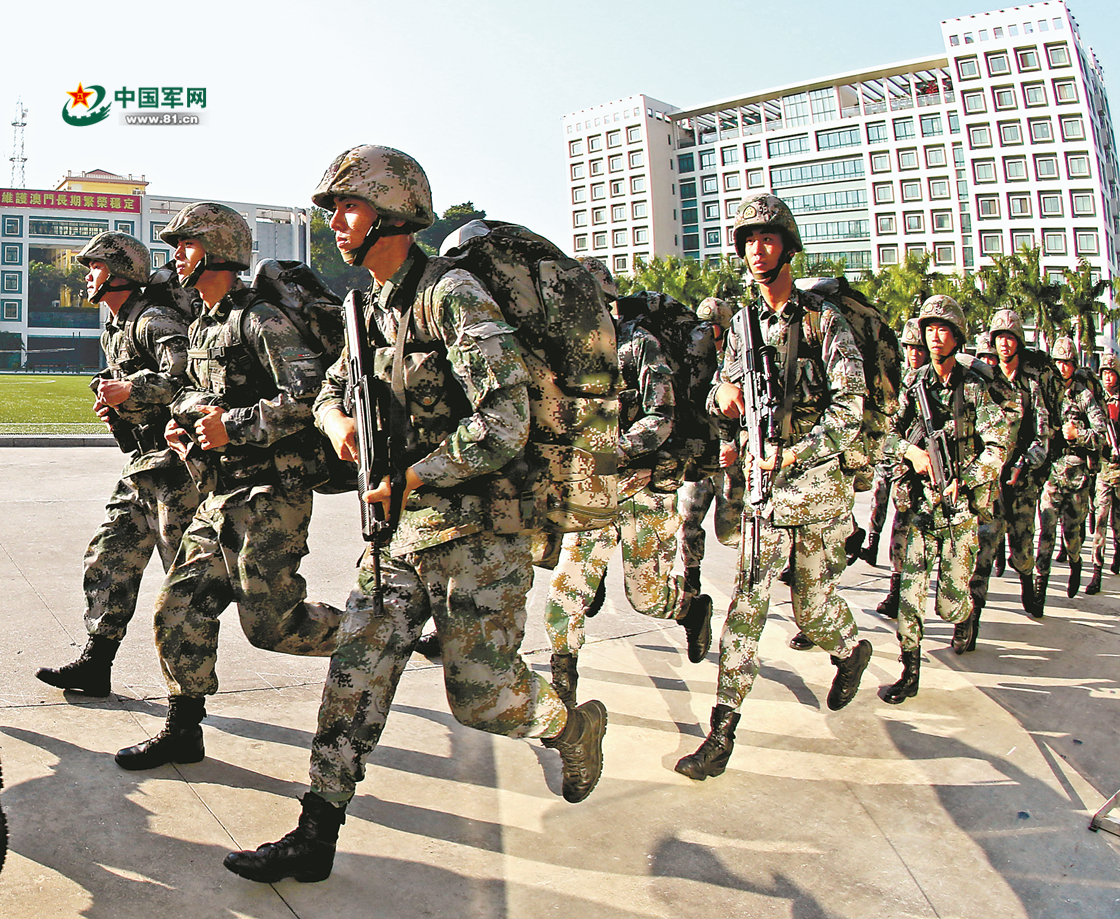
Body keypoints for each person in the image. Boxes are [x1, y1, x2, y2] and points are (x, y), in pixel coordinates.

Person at [223, 145, 607, 884]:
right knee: (354, 676)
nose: (335, 221)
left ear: (394, 212)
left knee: (483, 697)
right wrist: (336, 421)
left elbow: (505, 419)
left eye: (349, 206)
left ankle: (572, 724)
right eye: (333, 208)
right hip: (398, 535)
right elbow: (331, 387)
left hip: (479, 532)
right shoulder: (365, 309)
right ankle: (315, 833)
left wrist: (414, 476)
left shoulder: (450, 295)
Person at [114, 202, 343, 771]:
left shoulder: (260, 319)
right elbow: (193, 391)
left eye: (186, 244)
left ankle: (381, 633)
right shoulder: (203, 324)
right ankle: (183, 730)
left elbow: (310, 395)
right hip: (220, 494)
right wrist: (183, 422)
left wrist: (232, 426)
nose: (175, 255)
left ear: (218, 250)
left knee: (274, 628)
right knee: (177, 607)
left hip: (271, 496)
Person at [674, 194, 872, 782]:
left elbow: (851, 408)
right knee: (748, 605)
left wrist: (796, 452)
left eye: (767, 239)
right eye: (749, 242)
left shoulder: (822, 321)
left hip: (818, 488)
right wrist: (723, 402)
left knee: (812, 605)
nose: (757, 251)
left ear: (787, 248)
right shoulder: (741, 324)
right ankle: (721, 734)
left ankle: (850, 649)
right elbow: (722, 392)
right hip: (765, 489)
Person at [544, 260, 713, 709]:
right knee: (564, 597)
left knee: (647, 597)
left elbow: (662, 417)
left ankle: (689, 608)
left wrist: (612, 453)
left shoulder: (640, 346)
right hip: (592, 495)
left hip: (645, 492)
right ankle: (564, 697)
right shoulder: (568, 355)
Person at [36, 232, 198, 697]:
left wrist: (132, 390)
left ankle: (187, 701)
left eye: (96, 266)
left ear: (121, 273)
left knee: (189, 584)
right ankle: (96, 663)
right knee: (109, 557)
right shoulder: (116, 327)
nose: (87, 276)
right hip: (145, 465)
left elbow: (191, 375)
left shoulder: (152, 320)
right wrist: (119, 407)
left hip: (179, 468)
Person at [880, 296, 1006, 703]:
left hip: (960, 510)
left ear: (957, 336)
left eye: (943, 329)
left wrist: (964, 480)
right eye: (929, 329)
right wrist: (911, 452)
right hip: (920, 508)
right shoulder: (913, 385)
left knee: (950, 605)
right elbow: (884, 435)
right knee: (909, 595)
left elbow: (997, 448)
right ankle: (910, 671)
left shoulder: (975, 389)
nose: (934, 336)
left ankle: (966, 615)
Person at [967, 309, 1049, 628]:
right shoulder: (984, 383)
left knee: (1021, 550)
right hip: (991, 481)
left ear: (1018, 342)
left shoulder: (1031, 387)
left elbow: (1042, 437)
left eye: (1009, 337)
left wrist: (1024, 464)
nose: (1003, 343)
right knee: (984, 549)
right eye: (999, 337)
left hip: (1022, 483)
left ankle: (1027, 581)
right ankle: (971, 619)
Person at [1034, 337, 1107, 608]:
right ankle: (1040, 585)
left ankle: (1075, 562)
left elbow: (1101, 436)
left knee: (1072, 536)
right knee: (1046, 532)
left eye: (1067, 362)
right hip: (1052, 474)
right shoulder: (1047, 391)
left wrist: (1079, 435)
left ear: (1074, 365)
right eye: (1058, 362)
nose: (1062, 367)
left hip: (1077, 478)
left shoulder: (1084, 395)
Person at [678, 296, 742, 594]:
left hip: (732, 462)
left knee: (731, 532)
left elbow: (757, 413)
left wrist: (736, 444)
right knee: (687, 521)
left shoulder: (740, 363)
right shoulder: (690, 359)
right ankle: (691, 580)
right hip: (701, 456)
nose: (706, 336)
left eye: (712, 331)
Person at [865, 317, 928, 621]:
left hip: (934, 470)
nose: (914, 353)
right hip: (902, 464)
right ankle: (895, 590)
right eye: (910, 348)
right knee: (899, 526)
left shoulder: (940, 381)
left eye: (919, 348)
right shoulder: (902, 379)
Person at [1087, 353, 1120, 594]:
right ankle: (1096, 570)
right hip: (1103, 469)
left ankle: (1118, 551)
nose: (1108, 377)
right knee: (1100, 519)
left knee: (1118, 520)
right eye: (1105, 373)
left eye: (1112, 373)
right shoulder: (1096, 400)